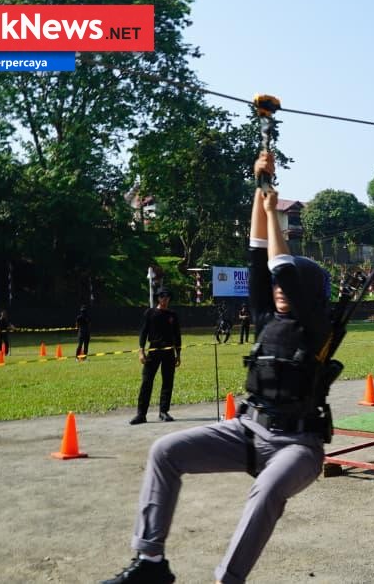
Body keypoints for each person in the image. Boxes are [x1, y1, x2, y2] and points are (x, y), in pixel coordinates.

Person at [103, 150, 335, 584]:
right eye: (279, 285)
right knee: (165, 452)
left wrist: (272, 212)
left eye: (292, 285)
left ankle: (227, 580)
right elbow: (257, 256)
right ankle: (151, 563)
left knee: (265, 490)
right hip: (247, 430)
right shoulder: (268, 318)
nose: (280, 288)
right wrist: (260, 189)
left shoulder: (317, 327)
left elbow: (282, 270)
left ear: (310, 293)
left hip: (297, 447)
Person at [131, 288, 182, 424]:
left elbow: (177, 335)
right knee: (146, 382)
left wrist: (178, 354)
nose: (165, 299)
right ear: (158, 298)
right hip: (153, 351)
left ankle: (163, 412)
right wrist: (141, 351)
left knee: (167, 382)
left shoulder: (172, 315)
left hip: (169, 352)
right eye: (162, 297)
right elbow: (143, 332)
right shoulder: (150, 313)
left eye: (167, 297)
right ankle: (141, 414)